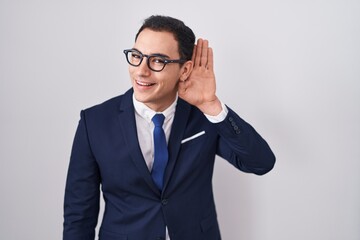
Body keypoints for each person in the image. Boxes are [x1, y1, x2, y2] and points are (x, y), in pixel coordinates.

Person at [63, 15, 275, 240]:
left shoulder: (204, 115)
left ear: (184, 70)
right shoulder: (94, 122)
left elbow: (261, 163)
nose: (141, 71)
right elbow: (79, 215)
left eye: (157, 61)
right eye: (136, 56)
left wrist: (211, 105)